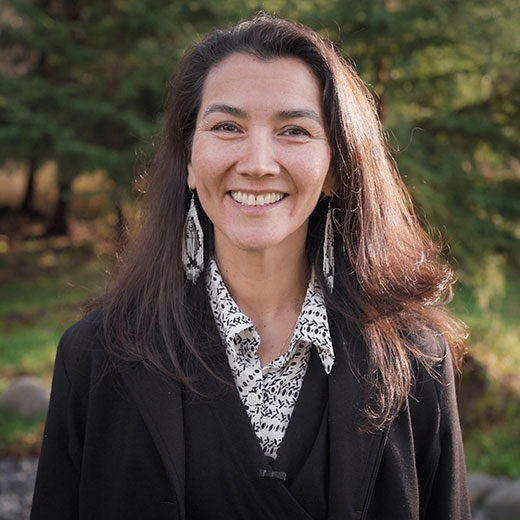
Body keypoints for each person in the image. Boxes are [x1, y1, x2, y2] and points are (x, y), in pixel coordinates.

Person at [31, 14, 470, 520]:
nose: (258, 161)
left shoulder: (413, 361)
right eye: (227, 127)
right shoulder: (95, 356)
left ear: (336, 168)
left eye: (294, 130)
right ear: (190, 160)